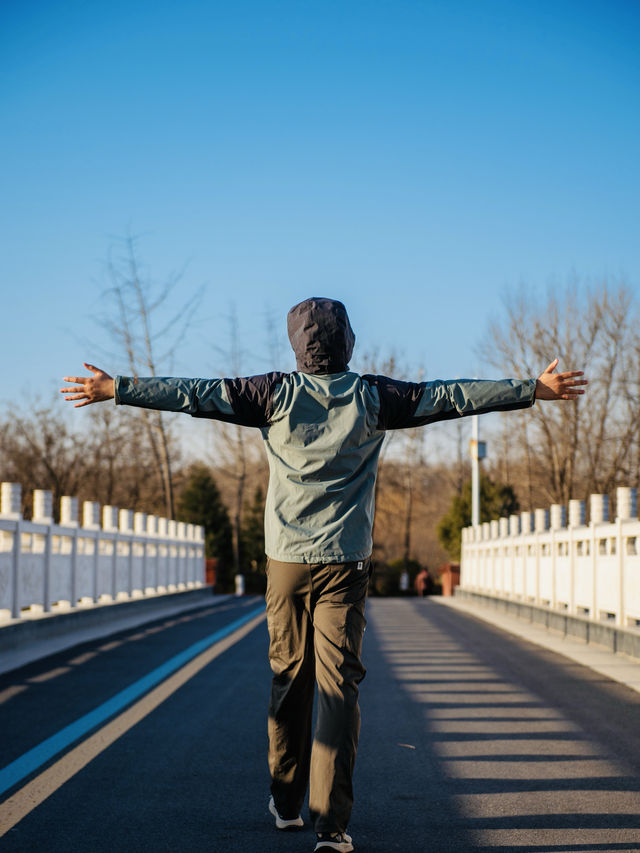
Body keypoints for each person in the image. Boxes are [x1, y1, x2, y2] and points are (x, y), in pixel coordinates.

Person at [61, 296, 586, 853]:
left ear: (296, 345)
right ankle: (331, 828)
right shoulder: (375, 396)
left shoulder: (271, 393)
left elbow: (195, 394)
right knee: (339, 690)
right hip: (346, 566)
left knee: (290, 679)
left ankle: (286, 803)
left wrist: (117, 388)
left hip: (286, 565)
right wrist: (532, 388)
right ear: (348, 343)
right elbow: (450, 397)